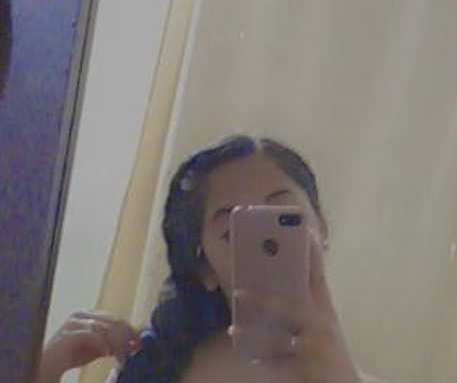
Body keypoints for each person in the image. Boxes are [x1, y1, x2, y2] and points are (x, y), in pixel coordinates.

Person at [36, 135, 384, 382]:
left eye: (285, 217)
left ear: (321, 228)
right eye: (234, 232)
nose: (266, 243)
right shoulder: (157, 368)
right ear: (205, 269)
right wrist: (42, 371)